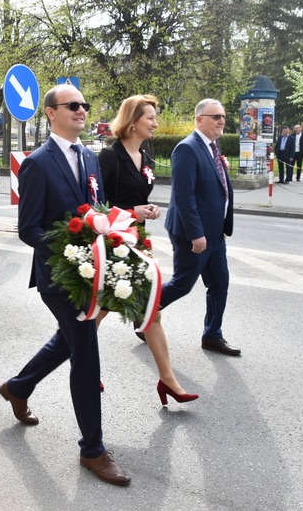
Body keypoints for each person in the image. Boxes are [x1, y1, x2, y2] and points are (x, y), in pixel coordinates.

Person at [0, 85, 130, 486]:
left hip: (92, 270)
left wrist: (115, 240)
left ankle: (18, 387)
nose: (81, 110)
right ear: (51, 113)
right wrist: (71, 251)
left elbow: (99, 210)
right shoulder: (38, 163)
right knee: (85, 354)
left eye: (84, 105)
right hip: (60, 277)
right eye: (72, 105)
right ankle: (92, 449)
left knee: (70, 339)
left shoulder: (89, 156)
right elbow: (28, 229)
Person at [97, 95, 197, 405]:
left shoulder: (146, 158)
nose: (155, 123)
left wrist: (146, 210)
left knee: (150, 313)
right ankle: (83, 366)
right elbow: (96, 206)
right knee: (94, 314)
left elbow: (135, 199)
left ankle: (168, 381)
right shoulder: (109, 157)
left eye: (154, 117)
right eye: (149, 118)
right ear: (131, 121)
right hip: (111, 243)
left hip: (136, 241)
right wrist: (132, 210)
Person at [158, 98, 238, 356]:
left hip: (215, 234)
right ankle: (144, 310)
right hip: (193, 234)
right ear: (199, 120)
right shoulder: (187, 148)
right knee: (182, 284)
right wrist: (196, 234)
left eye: (222, 116)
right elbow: (184, 196)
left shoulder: (212, 148)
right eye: (215, 116)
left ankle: (212, 335)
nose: (221, 120)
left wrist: (225, 224)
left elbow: (221, 190)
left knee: (219, 284)